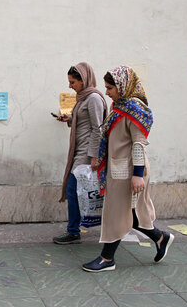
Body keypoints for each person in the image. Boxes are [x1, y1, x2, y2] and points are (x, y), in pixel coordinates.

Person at [82, 65, 174, 272]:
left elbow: (138, 144)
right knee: (128, 214)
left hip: (129, 172)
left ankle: (107, 259)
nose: (106, 92)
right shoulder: (120, 107)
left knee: (116, 213)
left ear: (123, 86)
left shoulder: (133, 110)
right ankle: (161, 238)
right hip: (119, 170)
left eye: (110, 88)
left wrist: (137, 176)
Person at [52, 63, 107, 244]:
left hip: (86, 153)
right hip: (78, 150)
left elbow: (98, 128)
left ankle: (74, 231)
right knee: (74, 190)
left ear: (84, 80)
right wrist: (69, 119)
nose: (70, 86)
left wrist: (94, 156)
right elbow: (83, 121)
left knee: (72, 189)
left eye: (73, 82)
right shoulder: (82, 98)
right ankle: (75, 229)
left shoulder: (93, 99)